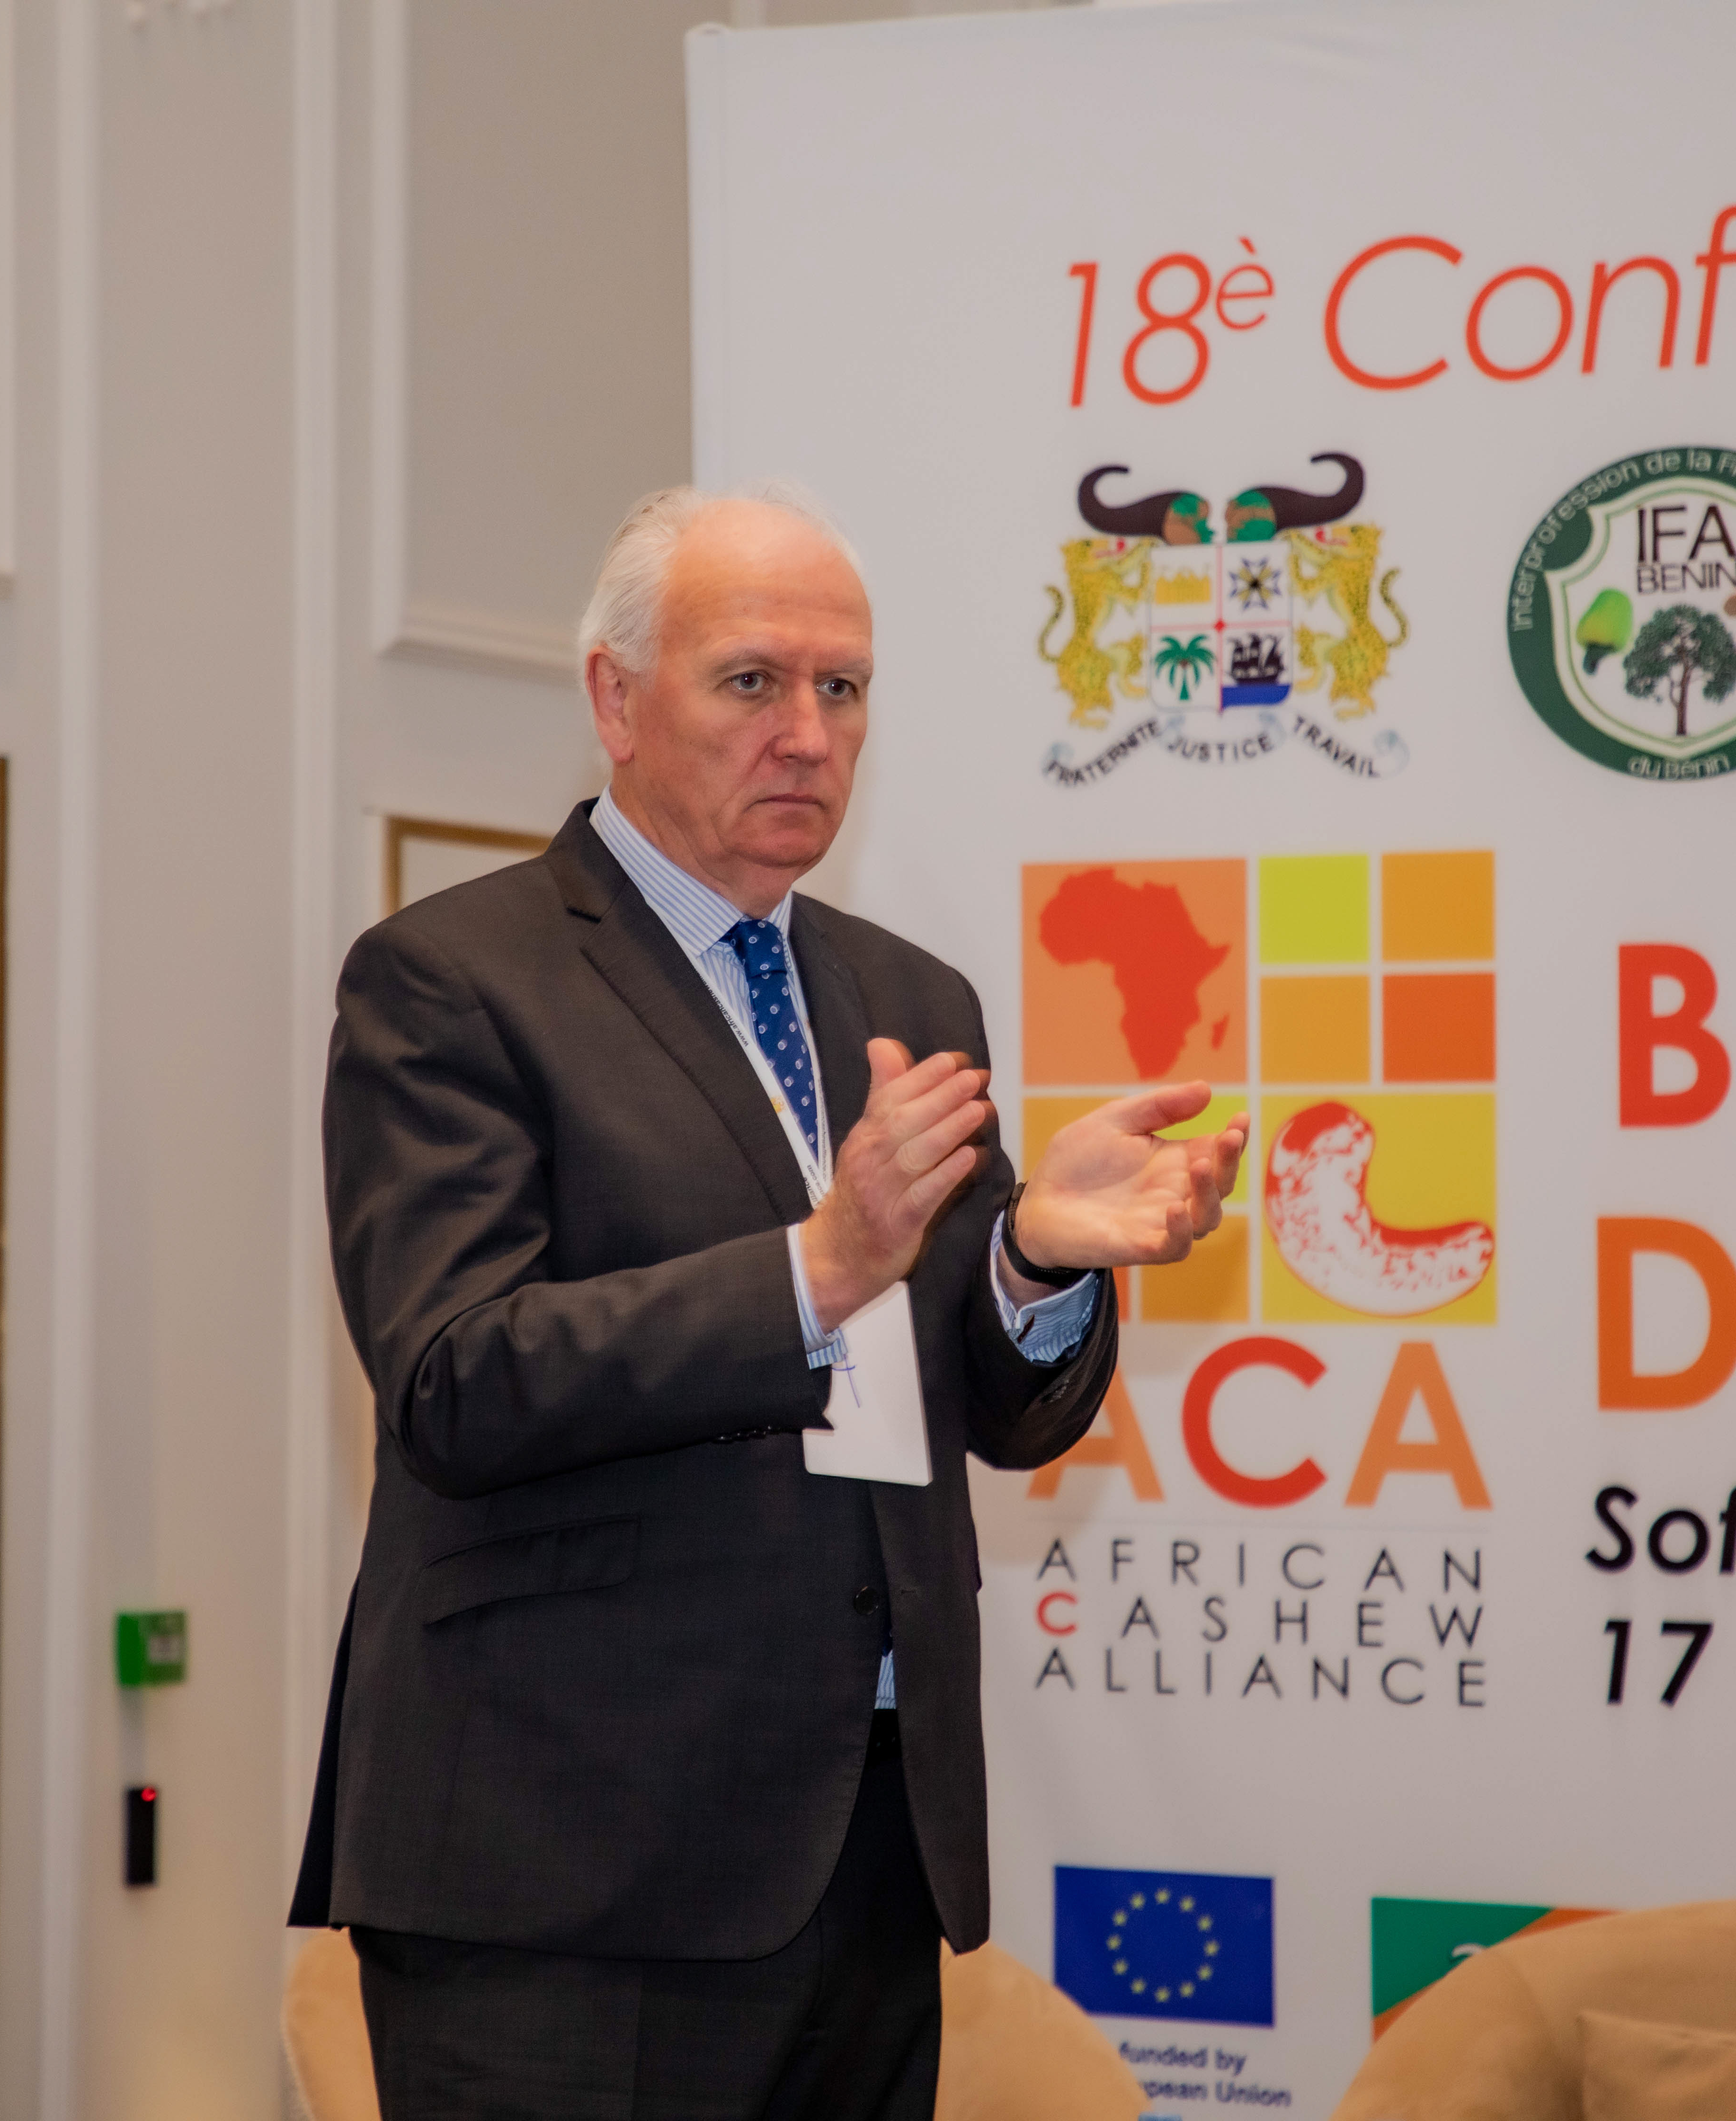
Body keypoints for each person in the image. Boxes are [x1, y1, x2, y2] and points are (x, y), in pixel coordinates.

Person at [291, 483, 1247, 2119]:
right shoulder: (453, 979)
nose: (808, 733)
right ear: (615, 699)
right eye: (752, 681)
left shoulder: (910, 995)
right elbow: (456, 1378)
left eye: (843, 687)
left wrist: (1035, 1263)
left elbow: (994, 1415)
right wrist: (823, 1264)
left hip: (865, 1846)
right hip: (568, 1869)